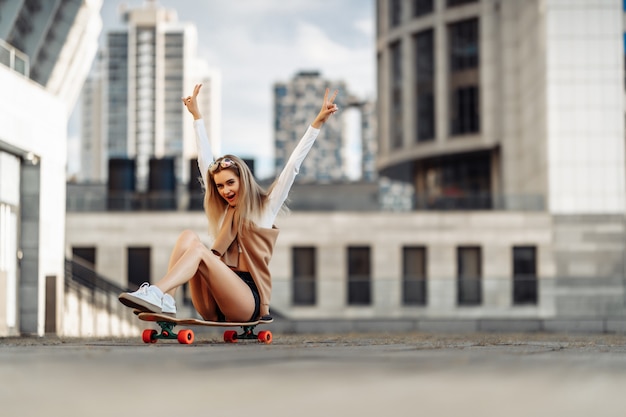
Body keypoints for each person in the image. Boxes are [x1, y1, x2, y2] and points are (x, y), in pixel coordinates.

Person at [119, 83, 338, 322]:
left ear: (242, 179)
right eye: (220, 186)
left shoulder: (266, 207)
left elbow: (293, 166)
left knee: (199, 250)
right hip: (214, 300)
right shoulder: (224, 212)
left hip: (247, 301)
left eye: (230, 183)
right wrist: (197, 117)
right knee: (188, 237)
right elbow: (205, 162)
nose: (225, 190)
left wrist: (317, 123)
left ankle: (156, 292)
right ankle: (167, 300)